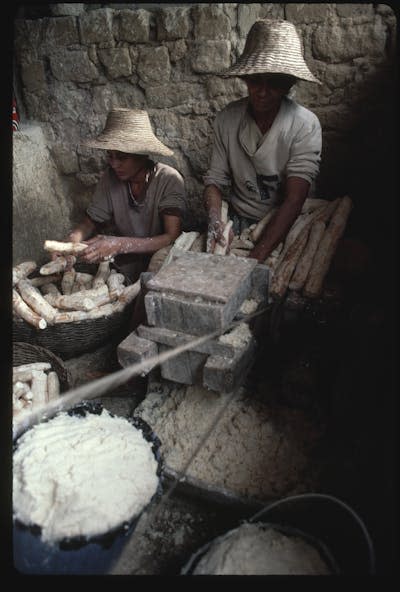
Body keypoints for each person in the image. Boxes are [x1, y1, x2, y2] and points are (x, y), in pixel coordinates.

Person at [204, 18, 322, 262]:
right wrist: (216, 220)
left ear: (289, 84)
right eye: (256, 80)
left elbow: (295, 198)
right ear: (246, 79)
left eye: (275, 83)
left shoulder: (304, 124)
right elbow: (215, 181)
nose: (263, 91)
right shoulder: (228, 119)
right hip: (239, 217)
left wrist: (254, 259)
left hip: (286, 221)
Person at [66, 108, 187, 283]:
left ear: (142, 156)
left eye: (122, 158)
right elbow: (89, 223)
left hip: (162, 266)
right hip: (123, 268)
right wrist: (72, 241)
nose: (114, 164)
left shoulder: (168, 179)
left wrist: (119, 244)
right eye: (110, 156)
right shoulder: (109, 178)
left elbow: (171, 237)